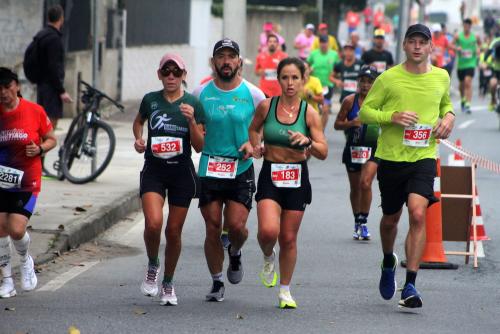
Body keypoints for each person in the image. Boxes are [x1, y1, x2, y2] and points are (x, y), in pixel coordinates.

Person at [360, 24, 455, 309]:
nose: (417, 47)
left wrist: (448, 118)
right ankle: (388, 260)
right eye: (412, 41)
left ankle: (410, 284)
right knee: (391, 219)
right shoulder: (388, 79)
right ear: (404, 46)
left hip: (424, 157)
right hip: (391, 158)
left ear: (430, 47)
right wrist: (392, 116)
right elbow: (365, 111)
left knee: (417, 214)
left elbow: (446, 105)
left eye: (422, 42)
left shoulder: (441, 76)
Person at [247, 57, 328, 308]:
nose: (290, 83)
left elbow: (323, 151)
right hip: (271, 174)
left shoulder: (309, 113)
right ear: (279, 79)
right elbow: (253, 129)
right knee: (268, 232)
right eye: (285, 77)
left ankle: (285, 291)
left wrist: (308, 143)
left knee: (289, 238)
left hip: (296, 177)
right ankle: (268, 255)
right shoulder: (266, 106)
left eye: (295, 78)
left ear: (304, 80)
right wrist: (256, 145)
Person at [193, 39, 266, 302]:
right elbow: (192, 130)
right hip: (210, 167)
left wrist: (255, 144)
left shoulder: (254, 94)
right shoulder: (200, 93)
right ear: (213, 62)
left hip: (240, 169)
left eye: (231, 56)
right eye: (220, 56)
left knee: (236, 226)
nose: (226, 61)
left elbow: (266, 128)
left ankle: (235, 252)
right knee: (212, 227)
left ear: (239, 62)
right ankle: (216, 281)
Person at [133, 54, 204, 306]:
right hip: (154, 169)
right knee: (153, 224)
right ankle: (153, 264)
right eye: (166, 71)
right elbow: (138, 122)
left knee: (173, 231)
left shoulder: (192, 103)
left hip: (181, 172)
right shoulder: (150, 100)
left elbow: (199, 146)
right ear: (159, 74)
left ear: (184, 75)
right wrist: (139, 139)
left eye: (176, 72)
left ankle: (168, 282)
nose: (171, 76)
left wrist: (192, 120)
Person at [0, 67, 57, 298]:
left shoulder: (34, 111)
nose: (3, 92)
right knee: (0, 228)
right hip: (1, 182)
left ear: (17, 86)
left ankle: (25, 260)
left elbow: (52, 139)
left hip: (27, 181)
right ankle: (6, 281)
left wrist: (40, 148)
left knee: (16, 228)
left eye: (7, 87)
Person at [334, 65, 379, 240]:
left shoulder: (381, 102)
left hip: (373, 148)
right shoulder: (349, 101)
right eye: (363, 81)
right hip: (353, 148)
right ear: (357, 82)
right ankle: (357, 221)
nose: (366, 85)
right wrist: (350, 123)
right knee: (355, 187)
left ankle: (364, 221)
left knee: (365, 183)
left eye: (370, 81)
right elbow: (337, 124)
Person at [34, 4, 73, 131]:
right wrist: (61, 91)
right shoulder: (54, 39)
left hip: (41, 85)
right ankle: (42, 149)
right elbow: (53, 67)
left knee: (42, 120)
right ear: (61, 19)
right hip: (51, 88)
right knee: (50, 122)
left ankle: (40, 148)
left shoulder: (41, 35)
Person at [307, 35, 341, 130]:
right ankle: (311, 129)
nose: (323, 44)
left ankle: (320, 131)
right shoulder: (313, 54)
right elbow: (306, 66)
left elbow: (338, 69)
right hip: (313, 86)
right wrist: (309, 70)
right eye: (321, 42)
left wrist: (337, 78)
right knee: (313, 109)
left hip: (327, 86)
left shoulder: (334, 54)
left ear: (328, 43)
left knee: (325, 109)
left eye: (325, 42)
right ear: (319, 43)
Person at [452, 18, 481, 114]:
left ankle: (468, 104)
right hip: (461, 64)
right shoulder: (458, 36)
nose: (466, 27)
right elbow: (450, 45)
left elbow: (481, 45)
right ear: (463, 26)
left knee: (468, 82)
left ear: (470, 26)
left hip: (471, 63)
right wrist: (457, 48)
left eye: (468, 26)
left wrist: (478, 49)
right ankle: (463, 98)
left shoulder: (475, 36)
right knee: (461, 85)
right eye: (465, 25)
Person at [485, 37, 500, 111]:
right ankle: (493, 100)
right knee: (493, 83)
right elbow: (488, 53)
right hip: (496, 73)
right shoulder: (496, 41)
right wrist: (485, 62)